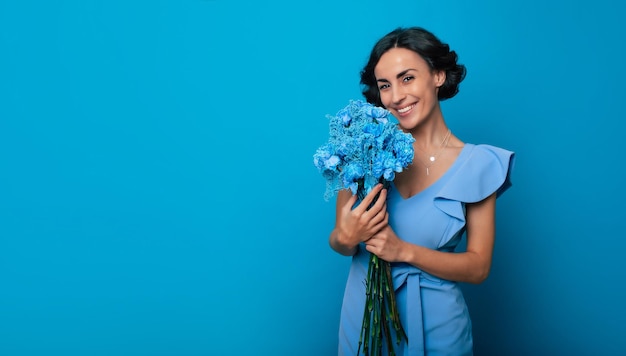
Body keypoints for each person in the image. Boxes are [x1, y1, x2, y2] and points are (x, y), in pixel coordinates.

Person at [329, 27, 515, 355]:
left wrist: (403, 251)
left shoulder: (477, 164)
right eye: (385, 85)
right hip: (364, 321)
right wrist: (346, 238)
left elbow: (478, 267)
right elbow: (341, 239)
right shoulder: (363, 150)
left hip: (438, 327)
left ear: (438, 75)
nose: (396, 96)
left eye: (407, 78)